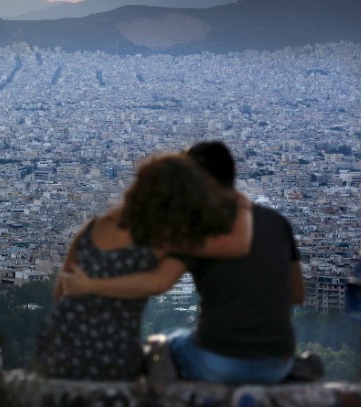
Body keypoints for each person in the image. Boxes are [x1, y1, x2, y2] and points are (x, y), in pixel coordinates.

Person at [61, 141, 305, 384]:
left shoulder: (199, 228)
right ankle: (297, 369)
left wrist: (90, 285)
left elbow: (158, 282)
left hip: (217, 363)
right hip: (278, 364)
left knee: (165, 344)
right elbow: (297, 294)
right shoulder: (277, 222)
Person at [35, 152, 252, 381]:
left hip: (55, 349)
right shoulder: (164, 239)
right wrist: (242, 203)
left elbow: (61, 290)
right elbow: (237, 246)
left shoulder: (93, 228)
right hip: (110, 355)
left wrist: (87, 287)